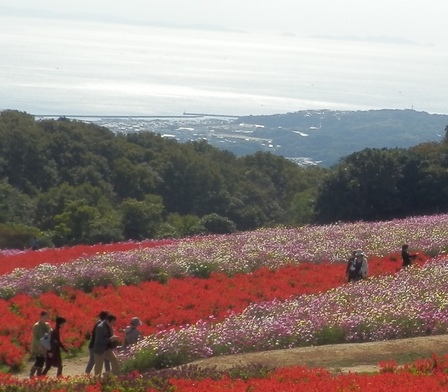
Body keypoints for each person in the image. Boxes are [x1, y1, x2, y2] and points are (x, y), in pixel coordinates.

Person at [29, 311, 52, 378]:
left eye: (47, 317)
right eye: (45, 317)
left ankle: (39, 375)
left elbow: (50, 332)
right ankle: (32, 373)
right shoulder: (36, 326)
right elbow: (35, 337)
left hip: (44, 346)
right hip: (38, 346)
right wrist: (38, 345)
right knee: (38, 360)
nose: (46, 318)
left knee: (42, 361)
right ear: (41, 317)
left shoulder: (47, 325)